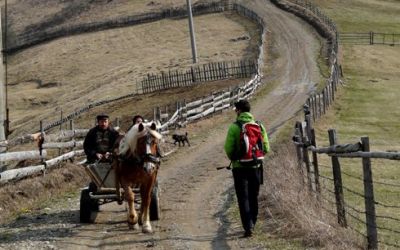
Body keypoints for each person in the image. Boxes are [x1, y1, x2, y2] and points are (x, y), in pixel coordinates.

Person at [224, 99, 270, 238]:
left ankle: (248, 226)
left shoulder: (234, 127)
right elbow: (266, 147)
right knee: (253, 196)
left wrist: (234, 158)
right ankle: (253, 223)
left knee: (242, 197)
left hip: (239, 168)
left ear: (238, 111)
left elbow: (228, 148)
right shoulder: (259, 126)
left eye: (236, 110)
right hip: (255, 166)